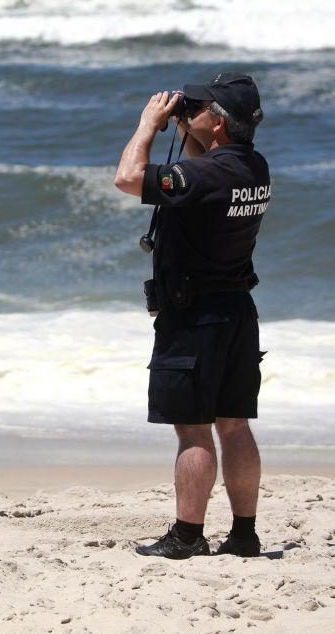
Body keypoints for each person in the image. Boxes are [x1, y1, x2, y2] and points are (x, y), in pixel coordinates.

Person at [113, 73, 270, 559]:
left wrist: (148, 124)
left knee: (194, 430)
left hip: (194, 317)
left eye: (202, 109)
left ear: (218, 125)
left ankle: (187, 535)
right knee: (235, 425)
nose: (191, 112)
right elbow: (203, 172)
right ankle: (244, 533)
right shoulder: (253, 167)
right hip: (237, 313)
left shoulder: (205, 176)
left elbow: (128, 178)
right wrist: (187, 128)